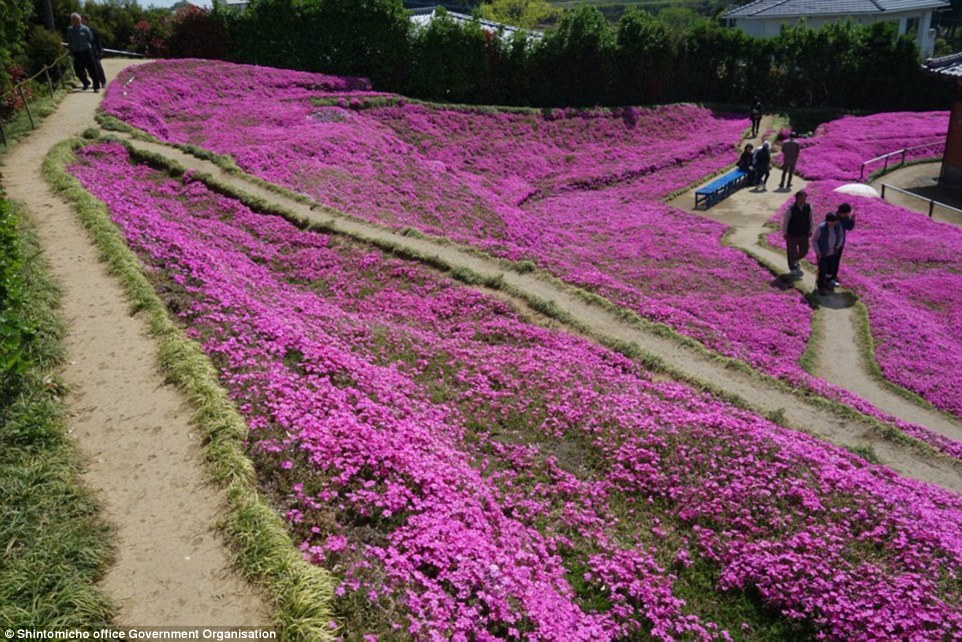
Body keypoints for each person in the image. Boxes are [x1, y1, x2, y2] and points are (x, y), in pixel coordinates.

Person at [780, 190, 812, 278]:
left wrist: (810, 230)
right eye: (802, 198)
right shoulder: (790, 209)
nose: (804, 199)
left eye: (805, 198)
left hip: (803, 233)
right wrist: (785, 233)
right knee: (791, 251)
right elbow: (786, 222)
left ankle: (795, 259)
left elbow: (810, 220)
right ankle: (792, 268)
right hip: (792, 234)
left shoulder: (808, 207)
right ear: (797, 198)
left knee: (805, 250)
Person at [66, 13, 100, 92]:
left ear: (80, 20)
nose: (75, 21)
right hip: (77, 52)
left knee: (92, 70)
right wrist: (71, 50)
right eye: (74, 20)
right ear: (72, 21)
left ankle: (96, 87)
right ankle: (86, 82)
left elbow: (91, 39)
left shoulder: (85, 29)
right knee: (78, 71)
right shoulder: (70, 30)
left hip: (87, 52)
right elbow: (69, 41)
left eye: (77, 20)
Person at [812, 212, 843, 295]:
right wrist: (817, 251)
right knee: (822, 271)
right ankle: (821, 287)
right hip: (823, 254)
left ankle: (827, 283)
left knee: (830, 271)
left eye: (835, 222)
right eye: (832, 222)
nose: (833, 223)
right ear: (828, 221)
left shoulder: (837, 226)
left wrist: (839, 244)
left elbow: (841, 236)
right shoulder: (821, 227)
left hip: (833, 253)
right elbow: (814, 240)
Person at [829, 203, 855, 287]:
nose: (847, 215)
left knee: (836, 261)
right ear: (841, 212)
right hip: (831, 243)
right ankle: (826, 279)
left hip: (840, 243)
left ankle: (832, 278)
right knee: (830, 261)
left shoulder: (846, 218)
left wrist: (852, 220)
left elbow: (849, 228)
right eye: (846, 213)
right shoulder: (833, 217)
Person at [82, 15, 107, 88]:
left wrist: (100, 51)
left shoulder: (91, 30)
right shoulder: (77, 31)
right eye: (81, 20)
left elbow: (97, 41)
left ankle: (103, 81)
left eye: (84, 20)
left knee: (98, 67)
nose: (82, 22)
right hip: (86, 53)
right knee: (90, 70)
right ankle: (93, 82)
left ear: (86, 21)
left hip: (94, 52)